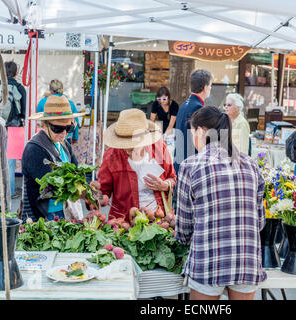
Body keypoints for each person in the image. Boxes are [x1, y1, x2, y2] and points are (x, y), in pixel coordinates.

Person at [176, 106, 267, 300]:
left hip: (208, 260)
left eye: (192, 132)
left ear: (200, 131)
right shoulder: (251, 165)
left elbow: (184, 229)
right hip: (247, 259)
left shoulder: (190, 166)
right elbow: (259, 222)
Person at [89, 108, 176, 221]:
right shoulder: (111, 155)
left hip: (158, 220)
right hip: (124, 222)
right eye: (124, 144)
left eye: (133, 144)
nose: (128, 149)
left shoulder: (159, 148)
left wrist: (164, 185)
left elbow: (172, 178)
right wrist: (95, 196)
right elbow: (104, 192)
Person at [21, 95, 86, 222]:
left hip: (66, 211)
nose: (64, 133)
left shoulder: (64, 144)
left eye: (69, 128)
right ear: (44, 124)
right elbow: (49, 186)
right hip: (43, 217)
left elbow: (76, 170)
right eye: (58, 128)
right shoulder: (34, 149)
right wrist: (82, 191)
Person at [174, 69, 212, 173]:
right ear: (205, 88)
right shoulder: (198, 107)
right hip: (190, 164)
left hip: (180, 160)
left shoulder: (185, 104)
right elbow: (199, 139)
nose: (210, 88)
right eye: (210, 86)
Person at [0, 61, 26, 199]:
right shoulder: (19, 88)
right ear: (16, 72)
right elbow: (24, 112)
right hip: (14, 127)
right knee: (10, 161)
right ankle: (9, 192)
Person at [36, 79, 79, 145]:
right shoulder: (69, 103)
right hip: (65, 138)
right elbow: (76, 122)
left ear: (50, 90)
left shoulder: (42, 102)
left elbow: (37, 122)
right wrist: (75, 138)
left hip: (48, 137)